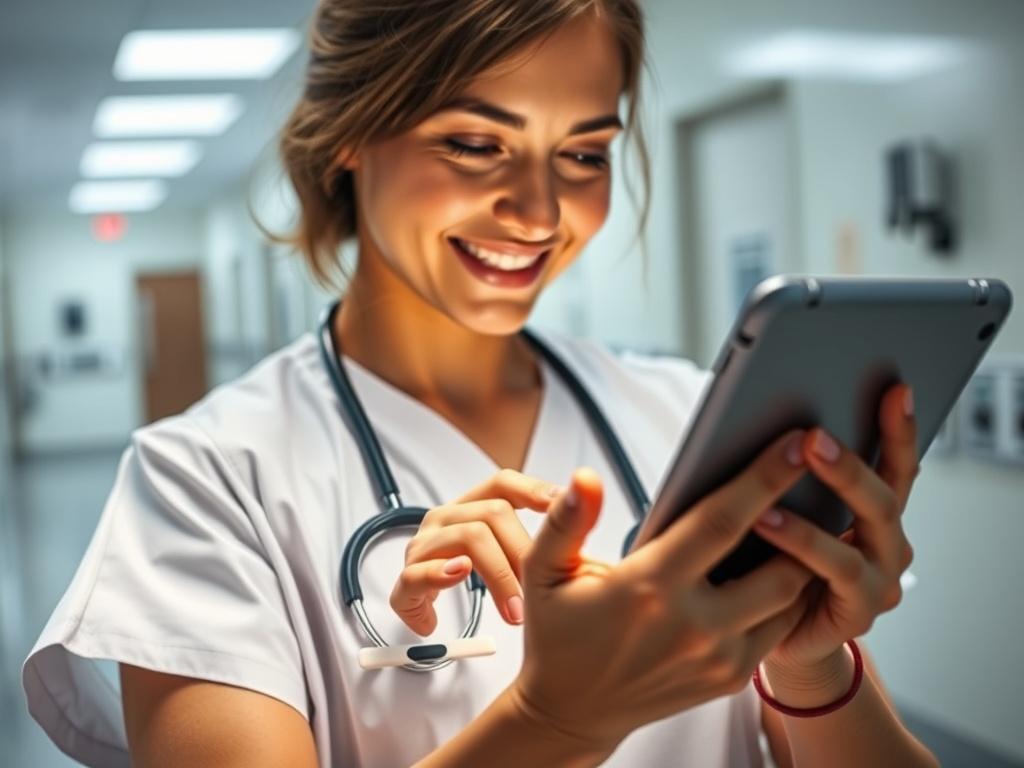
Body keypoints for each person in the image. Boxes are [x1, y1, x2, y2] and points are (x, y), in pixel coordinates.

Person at [23, 1, 940, 766]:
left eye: (583, 154)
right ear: (350, 132)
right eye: (473, 143)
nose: (539, 211)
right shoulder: (204, 479)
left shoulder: (685, 414)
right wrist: (554, 724)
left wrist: (812, 670)